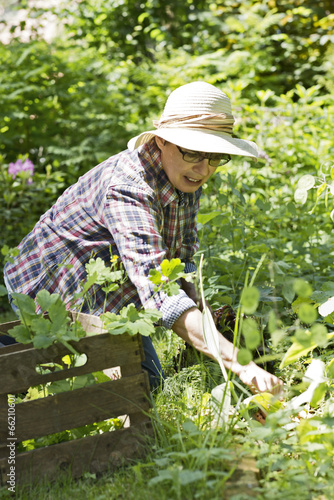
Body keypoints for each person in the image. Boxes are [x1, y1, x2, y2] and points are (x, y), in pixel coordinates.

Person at [3, 81, 283, 394]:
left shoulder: (184, 177)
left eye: (215, 156)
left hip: (112, 289)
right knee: (133, 390)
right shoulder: (129, 189)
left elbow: (180, 266)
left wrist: (210, 329)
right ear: (162, 141)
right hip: (51, 284)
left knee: (145, 386)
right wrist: (241, 365)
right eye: (193, 152)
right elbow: (160, 291)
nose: (204, 169)